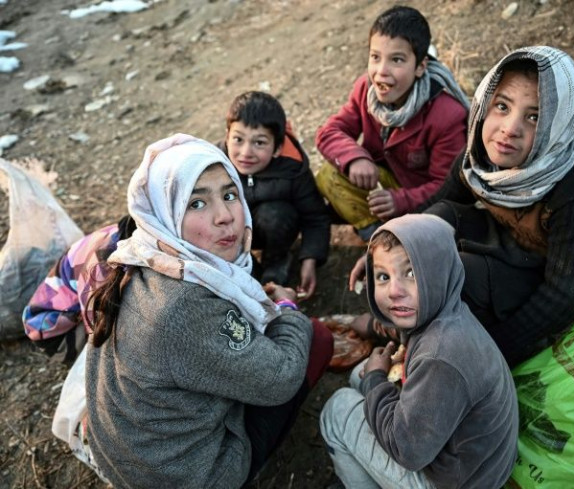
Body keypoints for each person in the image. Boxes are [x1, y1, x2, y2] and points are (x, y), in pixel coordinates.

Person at [84, 134, 333, 488]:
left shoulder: (145, 257)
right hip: (193, 476)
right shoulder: (184, 308)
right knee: (316, 338)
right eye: (197, 203)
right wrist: (288, 309)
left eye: (230, 195)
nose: (225, 216)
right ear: (166, 212)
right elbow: (280, 379)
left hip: (129, 456)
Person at [350, 46, 574, 368]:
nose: (509, 128)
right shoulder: (479, 152)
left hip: (555, 273)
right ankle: (402, 325)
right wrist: (386, 246)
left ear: (558, 125)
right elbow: (439, 204)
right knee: (437, 221)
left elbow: (564, 295)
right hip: (508, 240)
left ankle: (417, 342)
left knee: (462, 273)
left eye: (534, 117)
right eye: (502, 106)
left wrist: (490, 351)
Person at [321, 214, 518, 489]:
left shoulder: (439, 357)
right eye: (382, 276)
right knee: (359, 375)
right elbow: (411, 323)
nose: (394, 291)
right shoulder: (449, 310)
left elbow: (408, 451)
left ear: (439, 272)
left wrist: (376, 379)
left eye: (411, 273)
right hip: (474, 462)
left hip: (455, 481)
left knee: (337, 409)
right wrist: (375, 330)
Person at [315, 5, 469, 241]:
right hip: (385, 187)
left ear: (420, 67)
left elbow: (448, 187)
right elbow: (329, 132)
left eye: (396, 60)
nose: (381, 72)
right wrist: (355, 157)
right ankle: (374, 235)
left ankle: (401, 239)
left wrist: (400, 200)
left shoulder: (446, 115)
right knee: (329, 175)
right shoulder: (365, 89)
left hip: (425, 202)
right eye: (375, 57)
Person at [218, 91, 330, 299]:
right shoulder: (213, 165)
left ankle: (276, 265)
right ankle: (248, 274)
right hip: (233, 233)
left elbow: (315, 217)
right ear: (227, 136)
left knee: (276, 214)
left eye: (259, 142)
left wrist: (310, 259)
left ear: (277, 148)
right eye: (238, 139)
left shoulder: (292, 169)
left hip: (273, 229)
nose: (246, 152)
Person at [22, 215, 136, 364]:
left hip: (71, 310)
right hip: (53, 333)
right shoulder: (102, 266)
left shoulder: (124, 233)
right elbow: (96, 328)